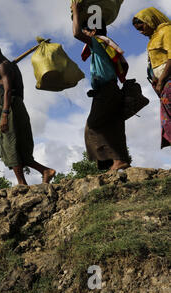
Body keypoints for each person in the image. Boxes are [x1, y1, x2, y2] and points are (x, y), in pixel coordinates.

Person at [0, 42, 56, 185]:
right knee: (19, 146)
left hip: (10, 108)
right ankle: (45, 171)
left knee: (10, 144)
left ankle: (21, 183)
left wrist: (4, 114)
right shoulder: (9, 66)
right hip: (17, 107)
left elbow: (8, 90)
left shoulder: (4, 66)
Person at [72, 1, 131, 171]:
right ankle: (119, 160)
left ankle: (114, 160)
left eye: (86, 29)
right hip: (112, 90)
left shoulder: (97, 42)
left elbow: (76, 33)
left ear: (92, 31)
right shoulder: (106, 44)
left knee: (93, 126)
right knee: (112, 125)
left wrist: (76, 11)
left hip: (106, 91)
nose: (83, 32)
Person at [132, 7, 171, 149]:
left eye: (142, 26)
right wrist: (155, 80)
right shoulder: (152, 38)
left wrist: (161, 81)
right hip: (163, 83)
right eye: (138, 30)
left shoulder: (166, 31)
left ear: (150, 20)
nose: (141, 31)